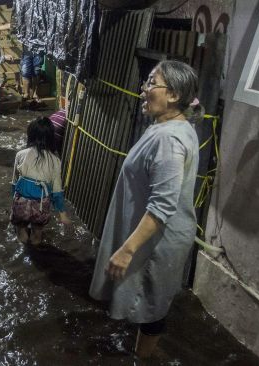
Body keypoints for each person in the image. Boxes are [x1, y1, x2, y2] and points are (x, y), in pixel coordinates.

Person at [88, 60, 202, 359]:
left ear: (174, 95)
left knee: (151, 306)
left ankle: (143, 358)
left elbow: (162, 205)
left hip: (157, 242)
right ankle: (142, 352)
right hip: (154, 237)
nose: (144, 90)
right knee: (147, 299)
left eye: (152, 83)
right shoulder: (169, 127)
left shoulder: (169, 140)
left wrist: (127, 250)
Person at [11, 117, 72, 245]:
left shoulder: (21, 154)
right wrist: (62, 214)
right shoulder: (55, 160)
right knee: (37, 235)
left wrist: (13, 206)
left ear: (30, 135)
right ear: (51, 138)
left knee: (21, 231)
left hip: (21, 201)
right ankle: (36, 249)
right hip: (41, 204)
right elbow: (57, 191)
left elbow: (14, 183)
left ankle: (24, 249)